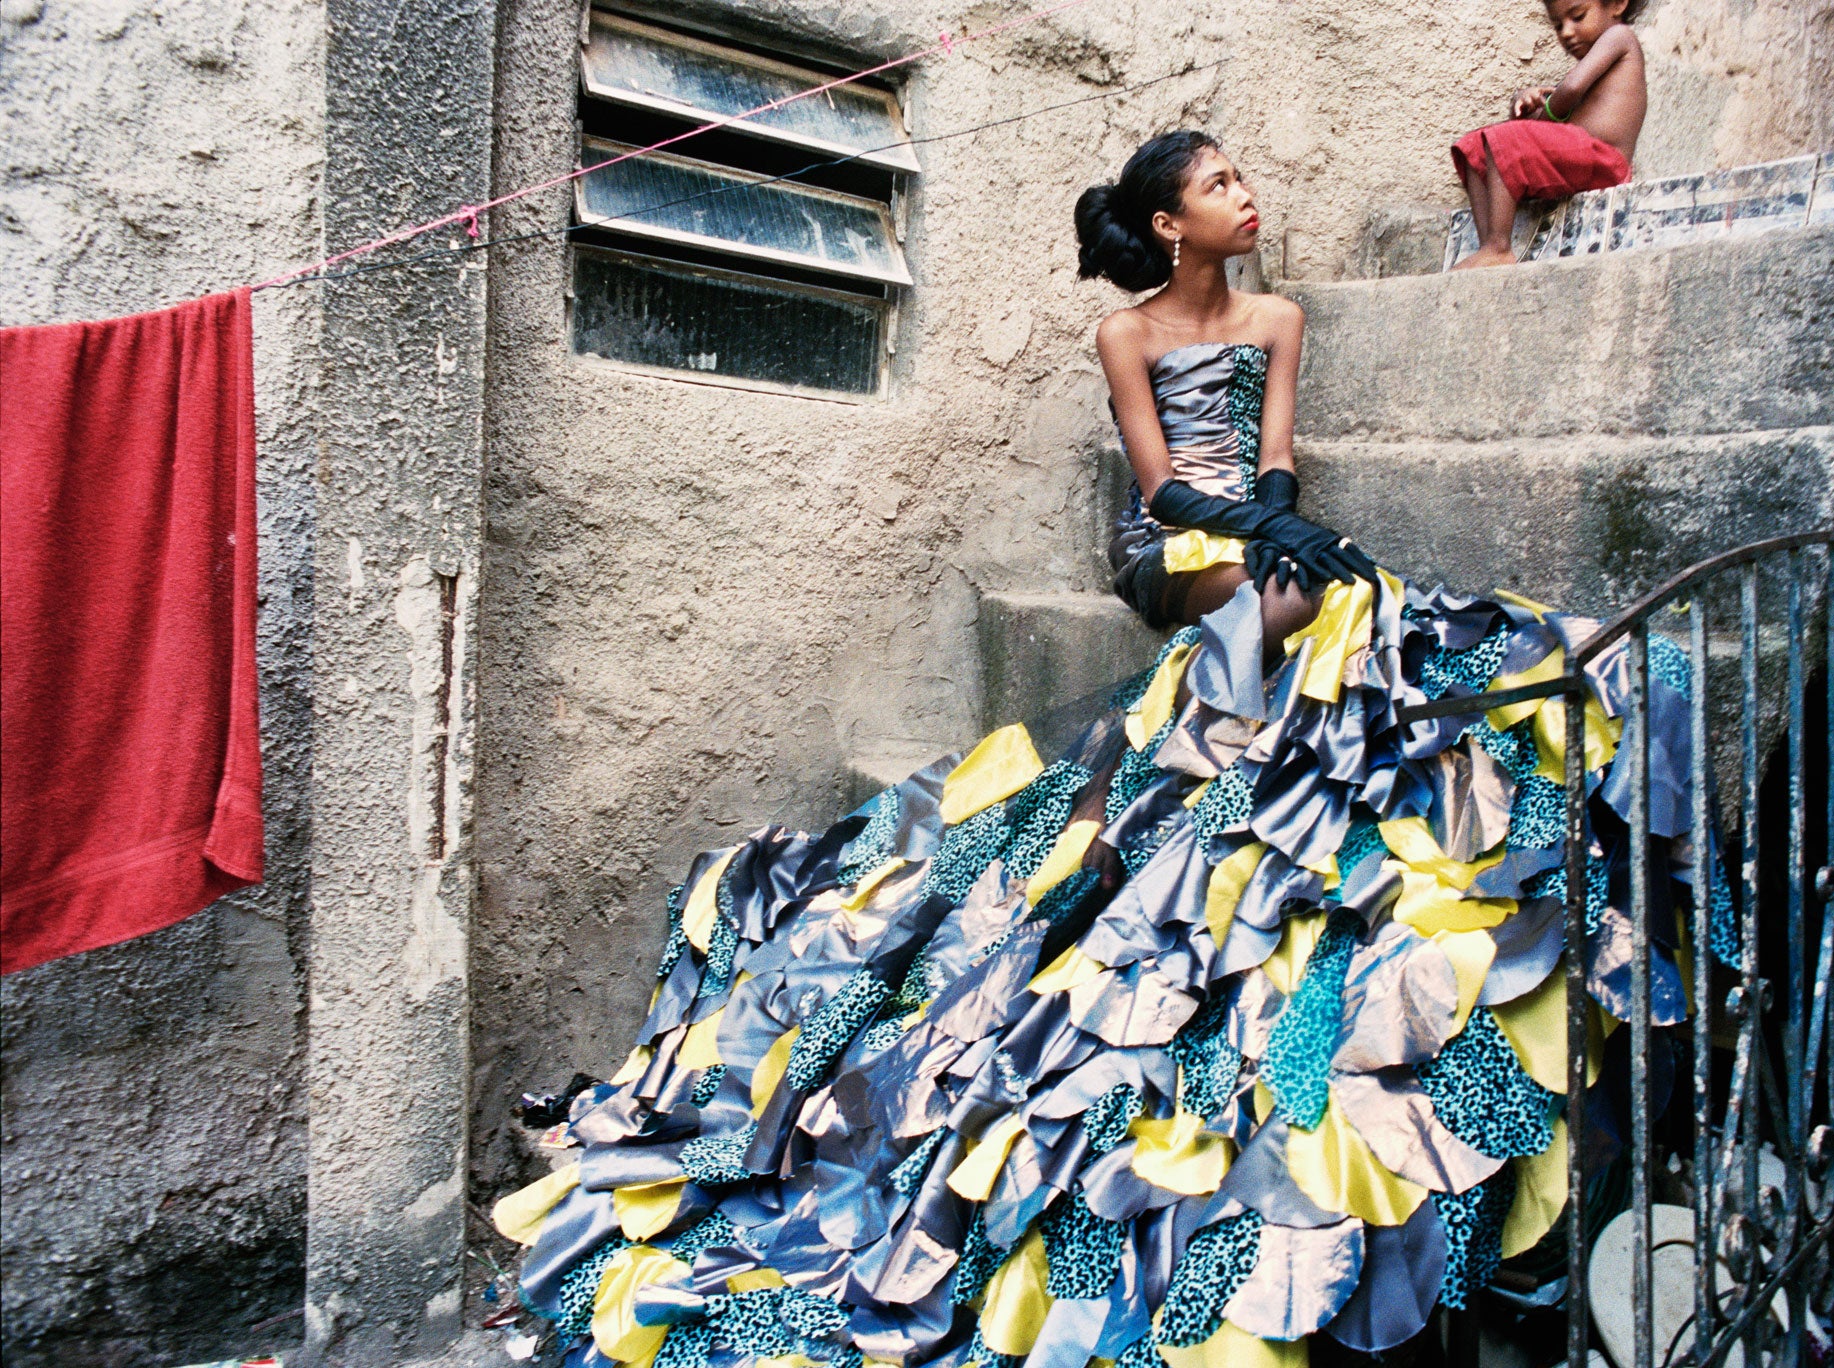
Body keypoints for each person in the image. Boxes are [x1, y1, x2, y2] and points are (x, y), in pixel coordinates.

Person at [490, 130, 1718, 1368]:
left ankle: (1315, 733)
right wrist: (1256, 532)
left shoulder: (1281, 315)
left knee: (1326, 591)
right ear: (1171, 224)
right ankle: (1282, 719)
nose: (1250, 194)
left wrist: (1285, 523)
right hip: (1167, 550)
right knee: (1300, 598)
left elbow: (1276, 460)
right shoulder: (1123, 333)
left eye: (1247, 175)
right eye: (1221, 185)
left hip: (1250, 533)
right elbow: (1165, 488)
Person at [1450, 0, 1647, 269]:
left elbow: (1571, 90)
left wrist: (1541, 117)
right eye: (1557, 25)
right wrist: (1524, 104)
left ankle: (1499, 246)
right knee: (1474, 145)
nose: (1566, 32)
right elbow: (1552, 117)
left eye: (1577, 16)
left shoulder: (1620, 37)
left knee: (1506, 138)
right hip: (1578, 156)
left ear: (1617, 4)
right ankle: (1489, 247)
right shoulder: (1593, 68)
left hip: (1606, 162)